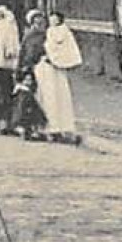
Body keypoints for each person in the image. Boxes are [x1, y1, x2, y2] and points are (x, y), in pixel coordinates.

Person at [36, 11, 82, 143]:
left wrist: (61, 59)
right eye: (51, 20)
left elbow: (68, 49)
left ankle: (64, 126)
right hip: (47, 69)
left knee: (61, 96)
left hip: (59, 69)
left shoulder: (65, 33)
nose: (53, 22)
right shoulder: (48, 32)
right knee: (49, 96)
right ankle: (51, 126)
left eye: (55, 20)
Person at [7, 9, 49, 140]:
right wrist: (21, 71)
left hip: (44, 70)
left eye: (42, 21)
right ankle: (28, 127)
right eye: (36, 22)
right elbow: (23, 54)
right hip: (30, 70)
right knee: (29, 98)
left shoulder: (48, 35)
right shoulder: (29, 36)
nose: (40, 24)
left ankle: (39, 127)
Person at [0, 6, 21, 132]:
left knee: (6, 90)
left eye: (1, 14)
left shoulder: (9, 26)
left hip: (6, 61)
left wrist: (11, 50)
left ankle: (7, 120)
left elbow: (13, 41)